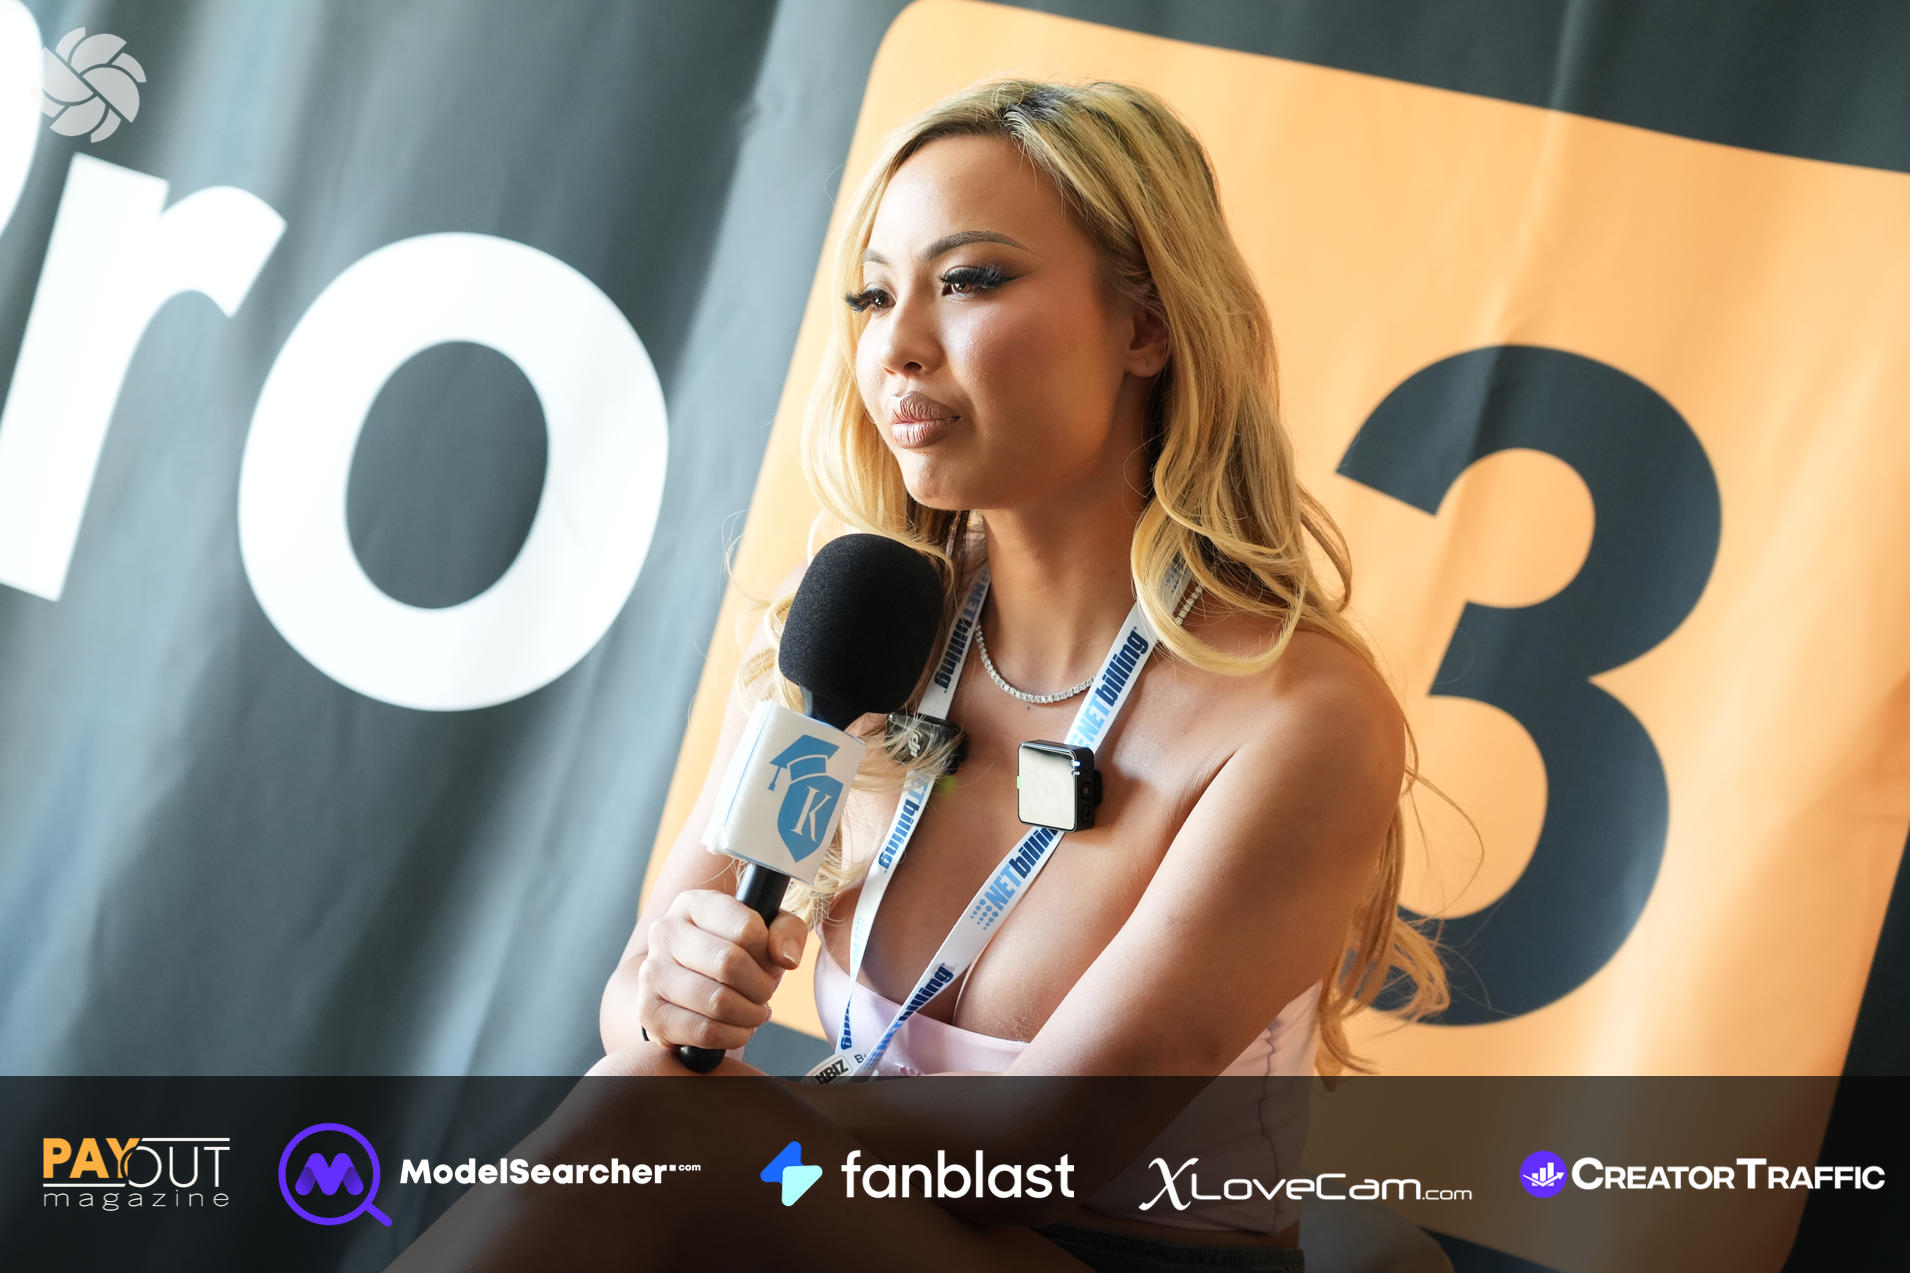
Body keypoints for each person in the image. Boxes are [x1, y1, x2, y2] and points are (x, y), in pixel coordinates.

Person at [397, 77, 1459, 1273]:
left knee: (650, 1132)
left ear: (1145, 327)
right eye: (872, 295)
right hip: (832, 1202)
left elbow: (1037, 1149)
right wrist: (674, 989)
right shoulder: (863, 623)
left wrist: (714, 1129)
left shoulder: (1297, 716)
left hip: (1099, 1253)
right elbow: (641, 1009)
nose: (896, 345)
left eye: (968, 280)